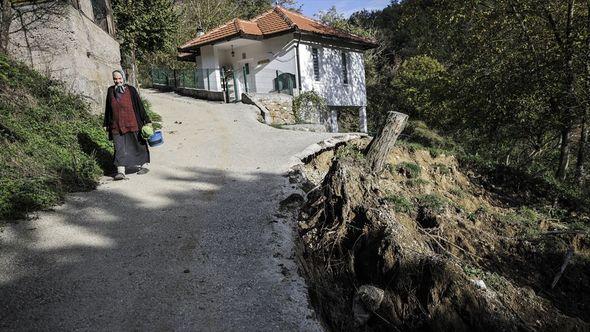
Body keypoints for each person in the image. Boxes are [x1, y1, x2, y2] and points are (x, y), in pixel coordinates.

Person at [103, 70, 151, 180]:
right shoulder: (110, 91)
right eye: (115, 79)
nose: (117, 81)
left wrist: (146, 120)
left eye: (119, 78)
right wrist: (106, 123)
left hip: (132, 122)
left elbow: (139, 105)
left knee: (138, 144)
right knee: (119, 147)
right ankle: (121, 171)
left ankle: (144, 165)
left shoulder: (131, 90)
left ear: (123, 78)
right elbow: (108, 108)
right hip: (116, 125)